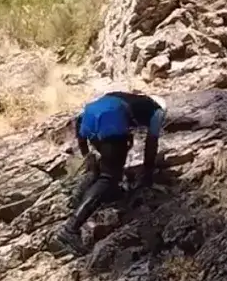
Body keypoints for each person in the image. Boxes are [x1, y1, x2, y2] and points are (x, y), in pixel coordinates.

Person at [56, 91, 167, 254]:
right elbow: (151, 143)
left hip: (88, 118)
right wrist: (148, 171)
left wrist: (87, 154)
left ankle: (87, 196)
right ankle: (71, 228)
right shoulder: (157, 111)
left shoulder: (121, 97)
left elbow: (81, 120)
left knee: (108, 166)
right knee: (109, 176)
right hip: (110, 121)